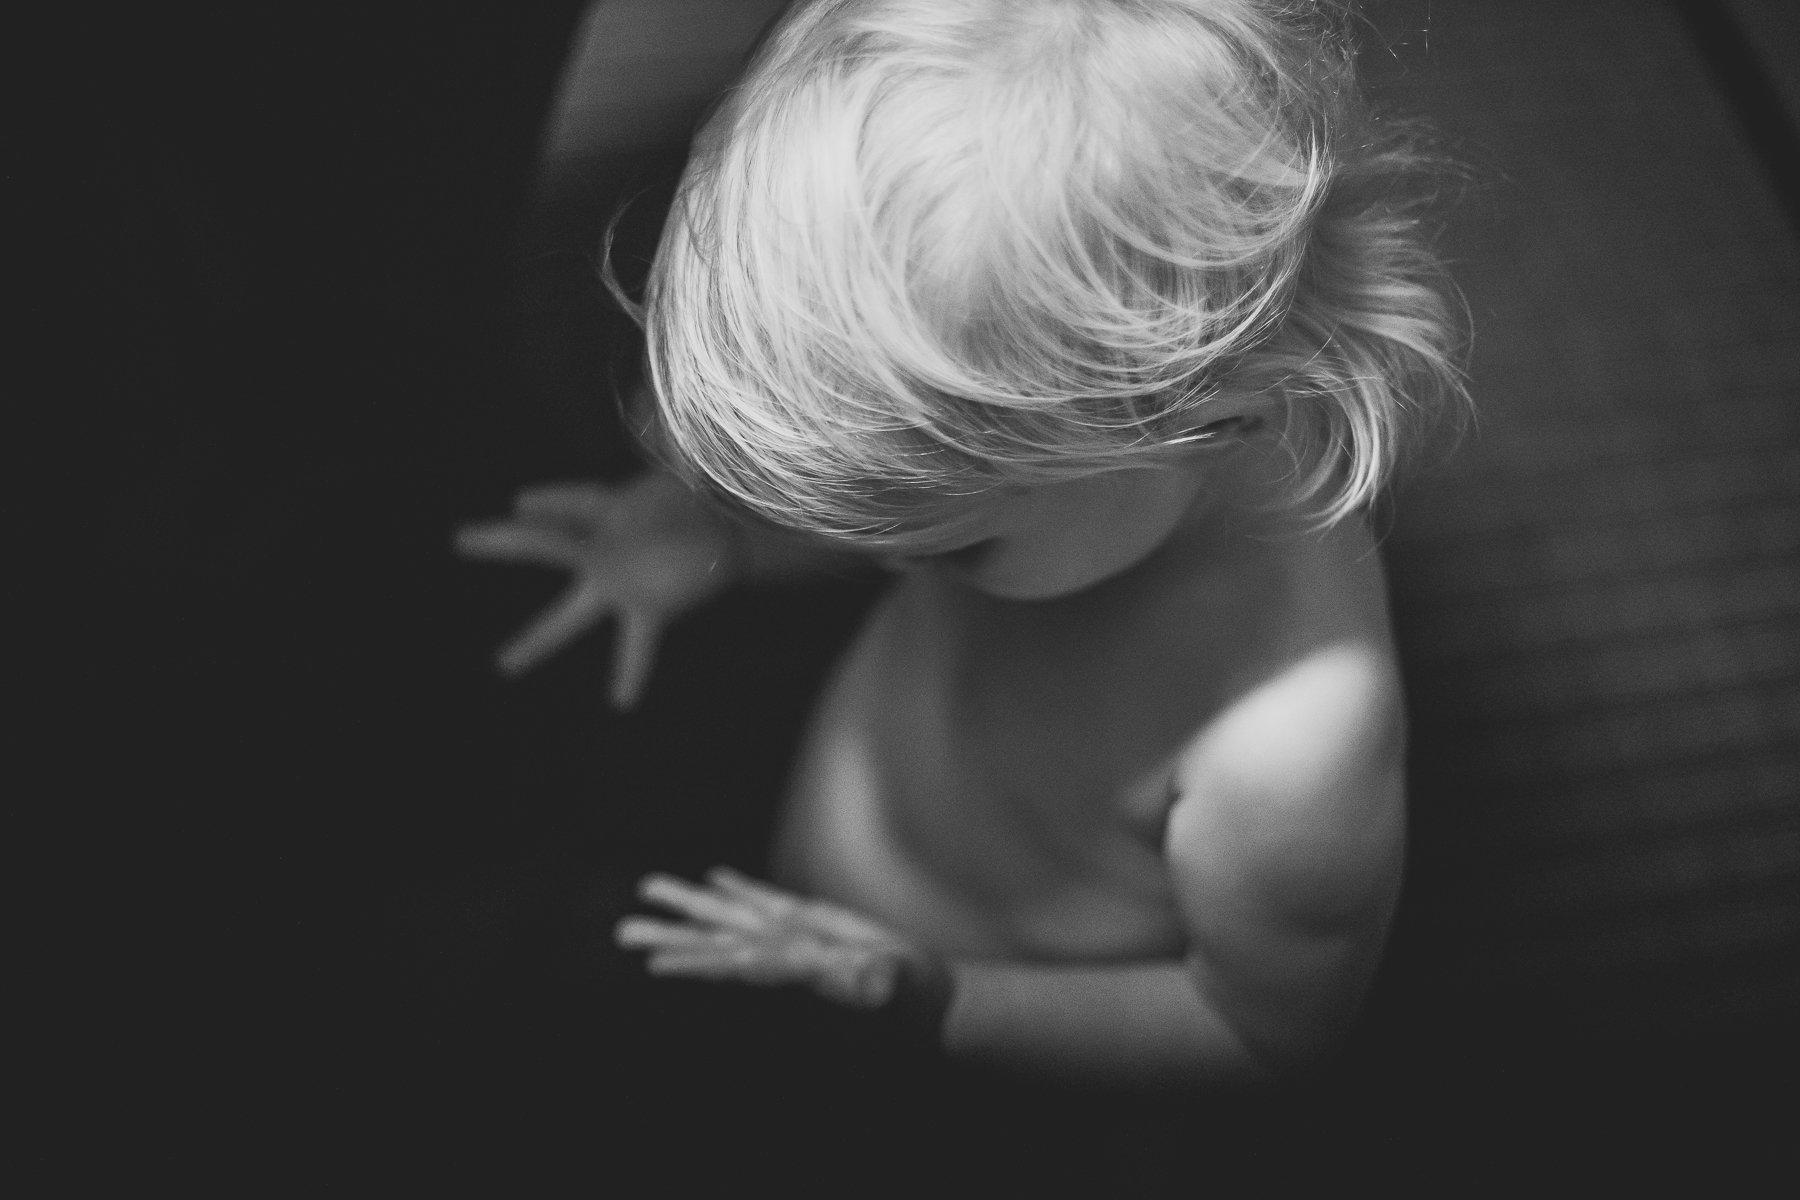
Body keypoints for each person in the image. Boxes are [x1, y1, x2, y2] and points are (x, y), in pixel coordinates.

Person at [456, 0, 1464, 1089]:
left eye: (944, 550)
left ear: (1202, 422)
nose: (881, 564)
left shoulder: (1294, 741)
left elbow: (1264, 1031)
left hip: (994, 1064)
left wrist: (942, 1003)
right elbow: (927, 510)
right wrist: (714, 538)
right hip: (828, 903)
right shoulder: (1074, 484)